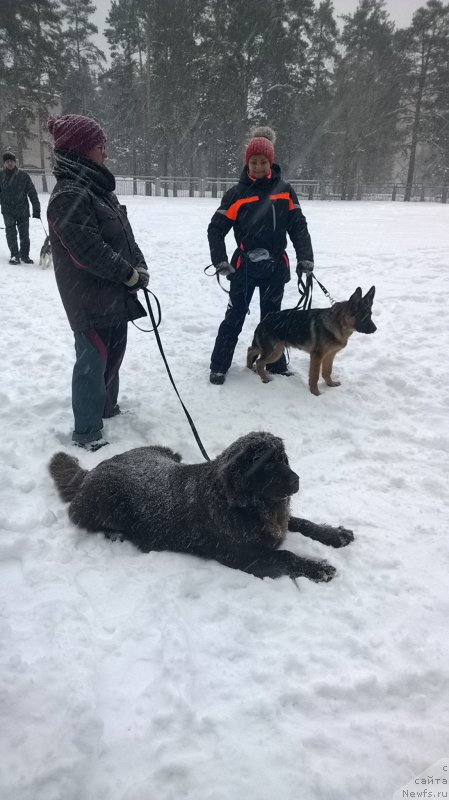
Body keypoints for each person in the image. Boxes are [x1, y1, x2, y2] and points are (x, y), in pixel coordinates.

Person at [46, 114, 149, 451]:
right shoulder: (68, 195)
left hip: (112, 292)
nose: (105, 154)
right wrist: (126, 273)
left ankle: (107, 408)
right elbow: (87, 251)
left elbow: (124, 237)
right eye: (100, 148)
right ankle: (87, 431)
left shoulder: (98, 191)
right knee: (94, 359)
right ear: (80, 150)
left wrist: (139, 266)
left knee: (114, 352)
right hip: (88, 297)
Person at [207, 127, 314, 385]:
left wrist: (305, 258)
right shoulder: (236, 194)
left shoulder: (285, 191)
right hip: (243, 268)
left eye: (262, 162)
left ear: (271, 162)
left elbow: (298, 226)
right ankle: (219, 365)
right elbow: (216, 229)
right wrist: (220, 260)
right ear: (247, 163)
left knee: (273, 320)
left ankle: (276, 363)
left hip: (275, 267)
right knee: (235, 317)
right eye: (253, 162)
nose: (257, 167)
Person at [0, 151, 41, 264]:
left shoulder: (23, 176)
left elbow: (32, 193)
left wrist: (36, 208)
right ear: (4, 163)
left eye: (11, 161)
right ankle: (14, 255)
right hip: (8, 211)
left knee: (24, 234)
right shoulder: (1, 176)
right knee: (11, 233)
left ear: (15, 162)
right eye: (7, 161)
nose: (9, 163)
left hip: (22, 210)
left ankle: (24, 255)